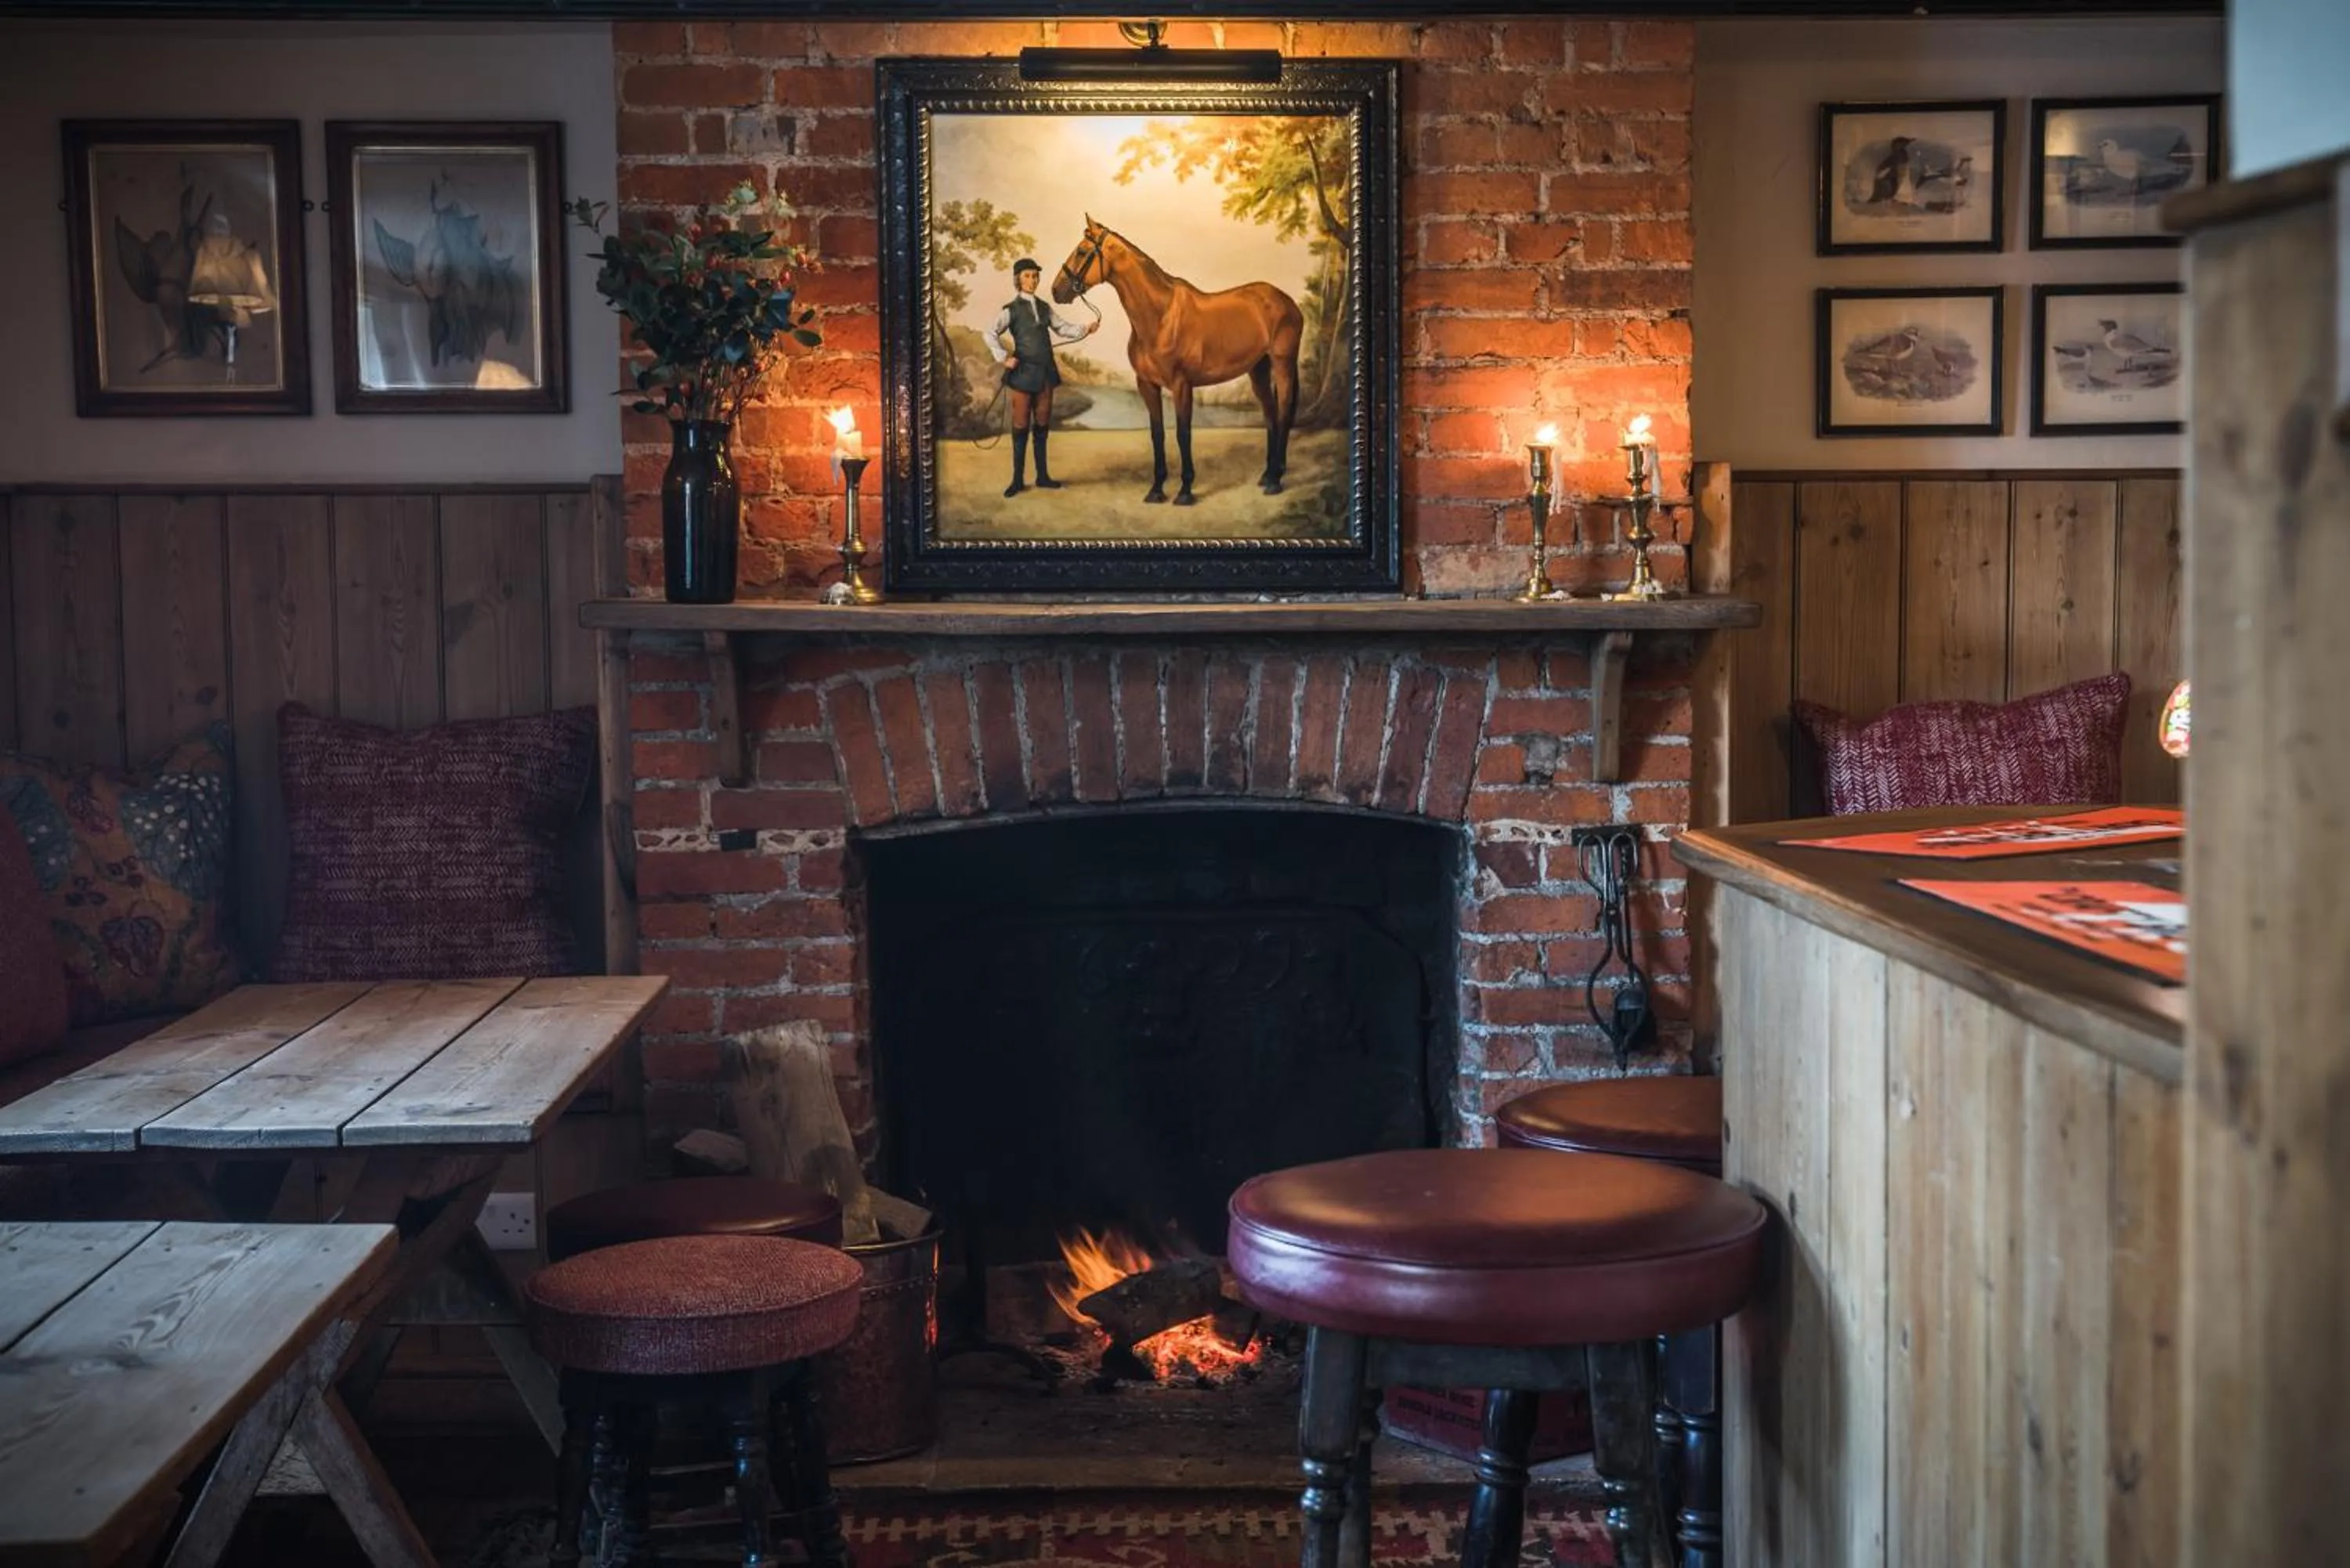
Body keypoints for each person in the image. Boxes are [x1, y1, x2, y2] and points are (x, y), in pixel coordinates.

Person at [988, 258, 1098, 497]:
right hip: (1023, 375)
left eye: (1035, 276)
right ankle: (1017, 481)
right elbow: (991, 333)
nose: (1032, 280)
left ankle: (1043, 477)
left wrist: (1085, 329)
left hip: (1045, 373)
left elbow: (1063, 328)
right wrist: (1003, 357)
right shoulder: (1011, 310)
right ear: (1018, 279)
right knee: (1019, 427)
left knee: (1042, 426)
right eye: (1027, 276)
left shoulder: (1046, 308)